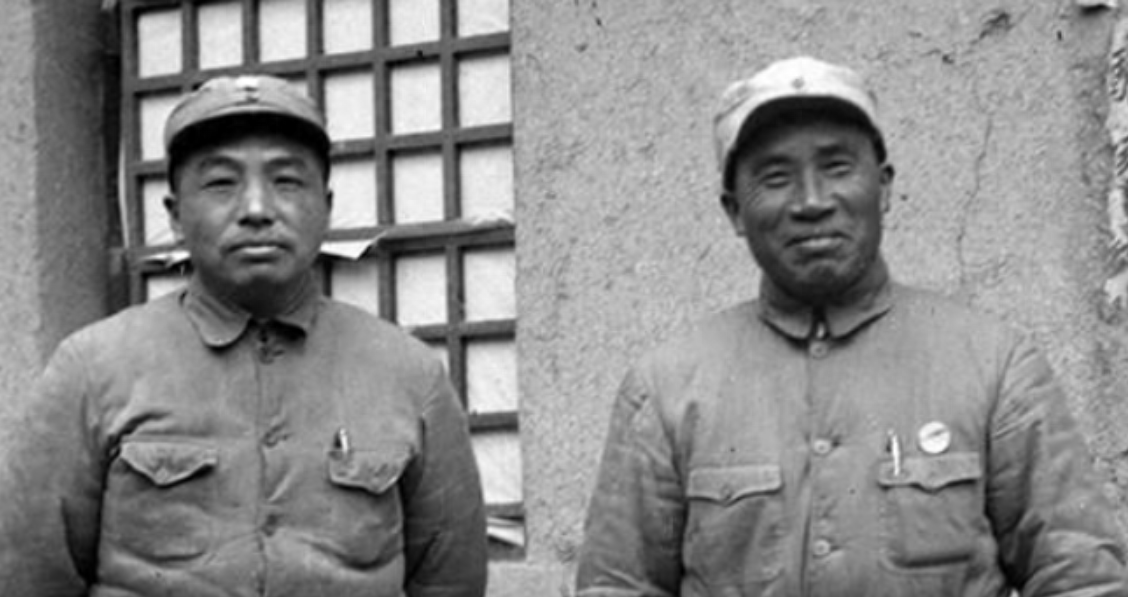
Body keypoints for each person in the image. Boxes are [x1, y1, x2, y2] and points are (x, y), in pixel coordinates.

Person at [574, 56, 1128, 596]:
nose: (812, 201)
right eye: (775, 177)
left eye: (837, 167)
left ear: (883, 187)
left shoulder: (997, 366)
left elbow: (1083, 575)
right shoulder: (665, 389)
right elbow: (617, 586)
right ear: (734, 210)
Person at [0, 75, 487, 596]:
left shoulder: (409, 375)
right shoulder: (93, 367)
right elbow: (29, 575)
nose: (257, 209)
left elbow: (450, 583)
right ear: (175, 215)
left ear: (326, 207)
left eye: (287, 181)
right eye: (221, 183)